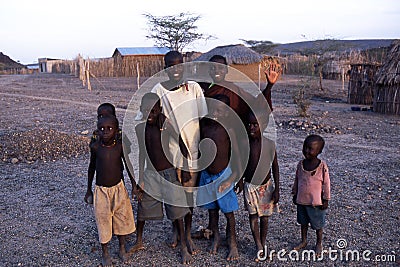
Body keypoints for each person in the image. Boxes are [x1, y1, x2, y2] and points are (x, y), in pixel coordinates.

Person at [150, 50, 208, 254]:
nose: (175, 70)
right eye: (170, 66)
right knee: (175, 197)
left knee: (189, 197)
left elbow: (202, 119)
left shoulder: (193, 89)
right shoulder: (158, 90)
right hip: (171, 154)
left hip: (192, 152)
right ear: (165, 68)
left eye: (179, 65)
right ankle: (177, 231)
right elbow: (154, 119)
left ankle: (188, 233)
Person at [132, 92, 193, 264]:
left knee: (177, 211)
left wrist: (186, 168)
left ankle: (182, 246)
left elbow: (182, 142)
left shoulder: (165, 125)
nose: (149, 115)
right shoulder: (140, 128)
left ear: (159, 110)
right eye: (146, 111)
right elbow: (143, 154)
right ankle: (139, 241)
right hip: (150, 175)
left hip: (168, 173)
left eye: (153, 111)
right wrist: (141, 178)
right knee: (143, 208)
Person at [84, 115, 137, 267]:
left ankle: (121, 248)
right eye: (101, 129)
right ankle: (105, 253)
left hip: (118, 189)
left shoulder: (120, 147)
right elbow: (91, 168)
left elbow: (128, 166)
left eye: (109, 129)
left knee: (122, 217)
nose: (105, 132)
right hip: (101, 192)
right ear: (97, 130)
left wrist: (134, 185)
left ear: (116, 130)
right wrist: (89, 190)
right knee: (103, 220)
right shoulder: (95, 148)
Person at [197, 94, 242, 261]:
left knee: (229, 213)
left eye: (221, 111)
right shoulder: (204, 127)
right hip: (207, 175)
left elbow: (237, 156)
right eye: (213, 109)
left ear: (228, 113)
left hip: (224, 175)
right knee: (212, 211)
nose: (216, 113)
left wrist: (235, 178)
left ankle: (232, 242)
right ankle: (215, 237)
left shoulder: (229, 130)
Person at [241, 110, 280, 262]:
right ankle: (258, 244)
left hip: (266, 186)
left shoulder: (269, 144)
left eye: (255, 125)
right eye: (249, 124)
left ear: (263, 126)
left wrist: (277, 188)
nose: (251, 128)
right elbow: (242, 163)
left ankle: (262, 243)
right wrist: (239, 179)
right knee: (253, 216)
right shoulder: (245, 143)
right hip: (250, 186)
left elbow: (275, 167)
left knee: (264, 217)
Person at [292, 134, 330, 255]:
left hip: (316, 203)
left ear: (319, 151)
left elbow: (326, 183)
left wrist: (326, 199)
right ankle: (303, 241)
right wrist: (295, 193)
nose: (307, 151)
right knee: (303, 223)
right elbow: (297, 179)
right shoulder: (300, 164)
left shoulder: (322, 166)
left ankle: (319, 243)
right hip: (302, 200)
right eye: (305, 147)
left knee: (318, 225)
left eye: (311, 149)